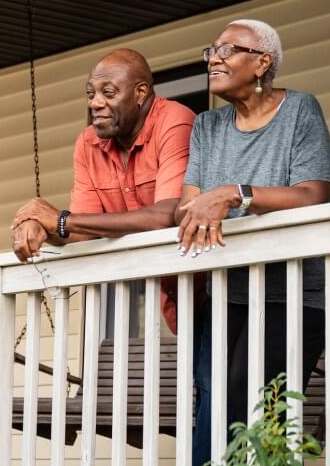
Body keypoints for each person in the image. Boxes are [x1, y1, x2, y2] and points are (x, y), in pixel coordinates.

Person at [175, 18, 330, 466]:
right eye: (211, 49)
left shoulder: (299, 111)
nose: (214, 57)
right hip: (231, 288)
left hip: (299, 289)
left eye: (228, 49)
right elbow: (190, 205)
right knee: (225, 406)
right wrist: (211, 201)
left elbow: (316, 193)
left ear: (263, 62)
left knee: (250, 400)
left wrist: (235, 194)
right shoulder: (207, 126)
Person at [12, 47, 197, 332]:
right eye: (90, 94)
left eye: (108, 93)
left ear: (140, 93)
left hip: (214, 282)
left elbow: (166, 216)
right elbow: (82, 230)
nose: (95, 103)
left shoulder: (174, 120)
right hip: (171, 295)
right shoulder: (88, 144)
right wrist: (43, 228)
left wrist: (62, 220)